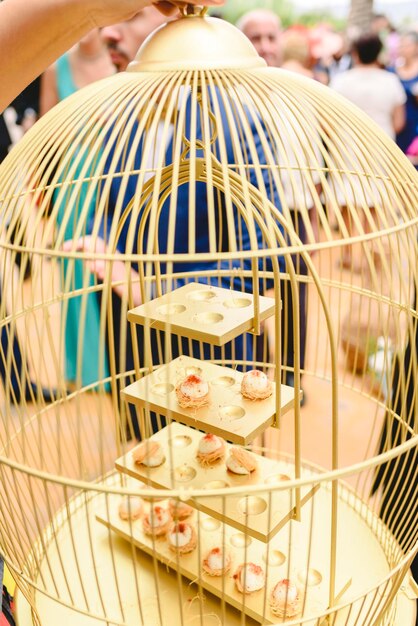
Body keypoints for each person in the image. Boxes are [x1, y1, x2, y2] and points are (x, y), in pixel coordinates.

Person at [38, 29, 116, 389]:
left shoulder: (121, 61)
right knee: (75, 266)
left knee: (114, 263)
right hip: (72, 175)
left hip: (116, 169)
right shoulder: (56, 68)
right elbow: (46, 129)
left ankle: (118, 358)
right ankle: (85, 364)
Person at [0, 0, 223, 112]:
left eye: (132, 17)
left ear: (177, 23)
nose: (107, 32)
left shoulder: (233, 122)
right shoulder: (124, 119)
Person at [330, 33, 406, 268]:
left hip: (347, 144)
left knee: (346, 200)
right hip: (380, 145)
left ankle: (347, 253)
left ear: (354, 53)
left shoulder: (342, 80)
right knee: (374, 201)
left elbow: (329, 118)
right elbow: (399, 122)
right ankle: (372, 252)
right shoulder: (390, 81)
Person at [390, 31, 418, 166]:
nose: (402, 48)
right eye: (400, 45)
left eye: (406, 45)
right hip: (397, 126)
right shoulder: (392, 71)